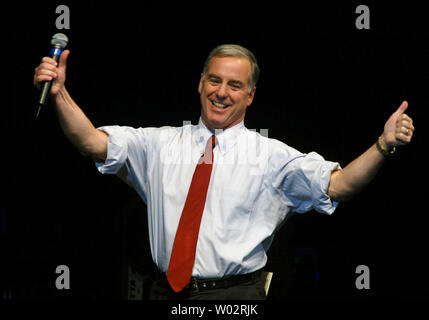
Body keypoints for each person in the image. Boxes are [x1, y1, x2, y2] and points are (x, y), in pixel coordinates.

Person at [33, 44, 414, 300]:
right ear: (200, 84)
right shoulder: (158, 144)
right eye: (214, 80)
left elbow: (340, 185)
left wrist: (383, 145)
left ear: (250, 96)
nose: (222, 92)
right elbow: (90, 141)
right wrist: (61, 93)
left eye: (235, 85)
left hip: (235, 298)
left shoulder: (270, 155)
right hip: (165, 293)